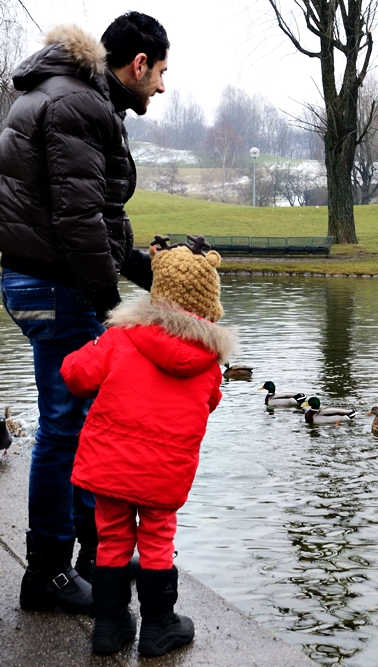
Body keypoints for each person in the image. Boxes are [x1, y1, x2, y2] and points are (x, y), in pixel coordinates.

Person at [0, 13, 168, 614]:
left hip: (35, 276)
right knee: (66, 425)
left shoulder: (69, 93)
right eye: (162, 73)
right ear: (139, 63)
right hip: (55, 283)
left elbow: (89, 213)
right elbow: (76, 222)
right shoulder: (78, 104)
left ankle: (89, 558)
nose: (163, 88)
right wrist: (111, 306)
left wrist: (150, 268)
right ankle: (46, 573)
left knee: (78, 419)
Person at [62, 235, 236, 656]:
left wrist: (101, 346)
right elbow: (210, 403)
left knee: (113, 539)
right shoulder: (208, 364)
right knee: (157, 540)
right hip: (163, 472)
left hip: (111, 465)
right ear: (208, 302)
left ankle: (109, 625)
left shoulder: (121, 338)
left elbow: (75, 376)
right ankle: (159, 627)